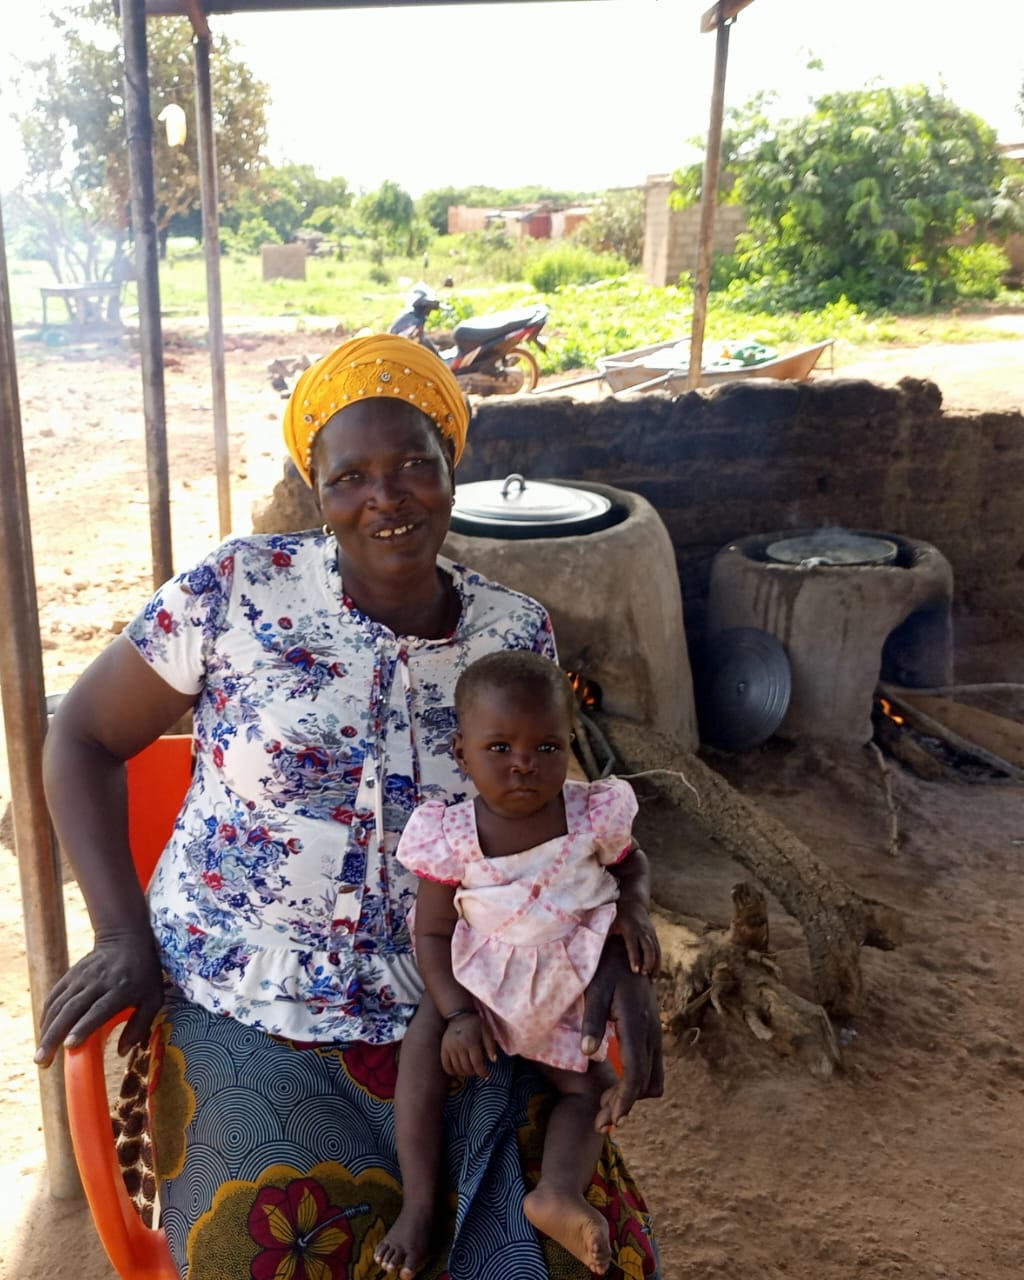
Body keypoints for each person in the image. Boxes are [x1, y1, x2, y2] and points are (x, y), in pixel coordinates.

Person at [33, 332, 664, 1280]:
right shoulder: (235, 590)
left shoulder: (511, 628)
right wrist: (123, 935)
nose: (387, 496)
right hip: (247, 1003)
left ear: (453, 466)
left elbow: (548, 825)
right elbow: (80, 737)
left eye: (415, 463)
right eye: (351, 476)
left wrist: (616, 953)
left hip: (464, 1004)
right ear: (316, 489)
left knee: (582, 1263)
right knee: (273, 1251)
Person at [376, 651, 660, 1279]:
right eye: (500, 746)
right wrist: (454, 1014)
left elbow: (632, 865)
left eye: (548, 747)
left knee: (587, 1093)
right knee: (421, 1047)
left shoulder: (592, 814)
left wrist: (635, 912)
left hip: (568, 991)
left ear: (569, 744)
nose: (525, 763)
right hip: (482, 986)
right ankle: (420, 1203)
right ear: (462, 750)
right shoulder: (451, 834)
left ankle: (556, 1193)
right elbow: (431, 931)